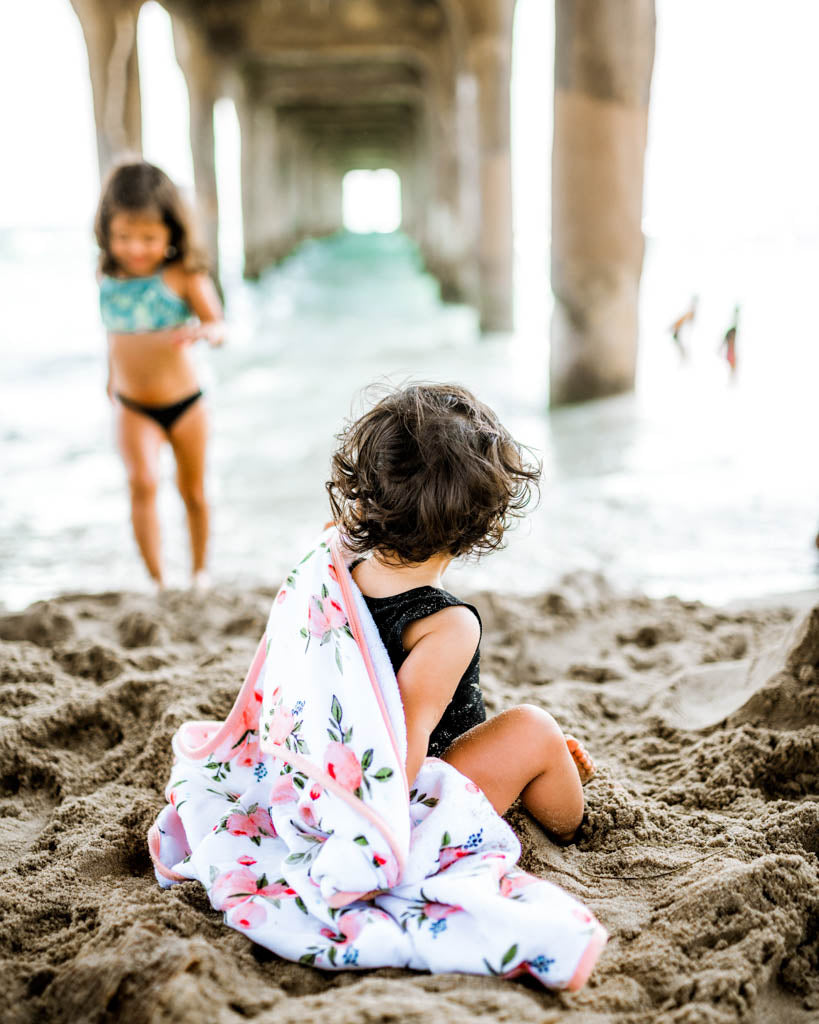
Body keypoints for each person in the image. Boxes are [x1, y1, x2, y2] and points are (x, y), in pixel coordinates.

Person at [326, 383, 595, 843]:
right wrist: (375, 837)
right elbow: (403, 744)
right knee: (534, 730)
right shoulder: (446, 624)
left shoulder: (333, 563)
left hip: (333, 755)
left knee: (522, 739)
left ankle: (541, 768)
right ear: (479, 523)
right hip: (402, 800)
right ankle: (568, 814)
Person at [94, 160, 225, 591]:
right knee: (142, 483)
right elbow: (115, 335)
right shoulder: (106, 275)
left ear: (171, 231)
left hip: (186, 403)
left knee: (193, 491)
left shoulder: (183, 275)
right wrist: (110, 378)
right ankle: (158, 581)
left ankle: (200, 573)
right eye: (123, 237)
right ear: (107, 233)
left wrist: (206, 331)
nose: (135, 248)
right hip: (133, 405)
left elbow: (218, 323)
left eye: (148, 238)